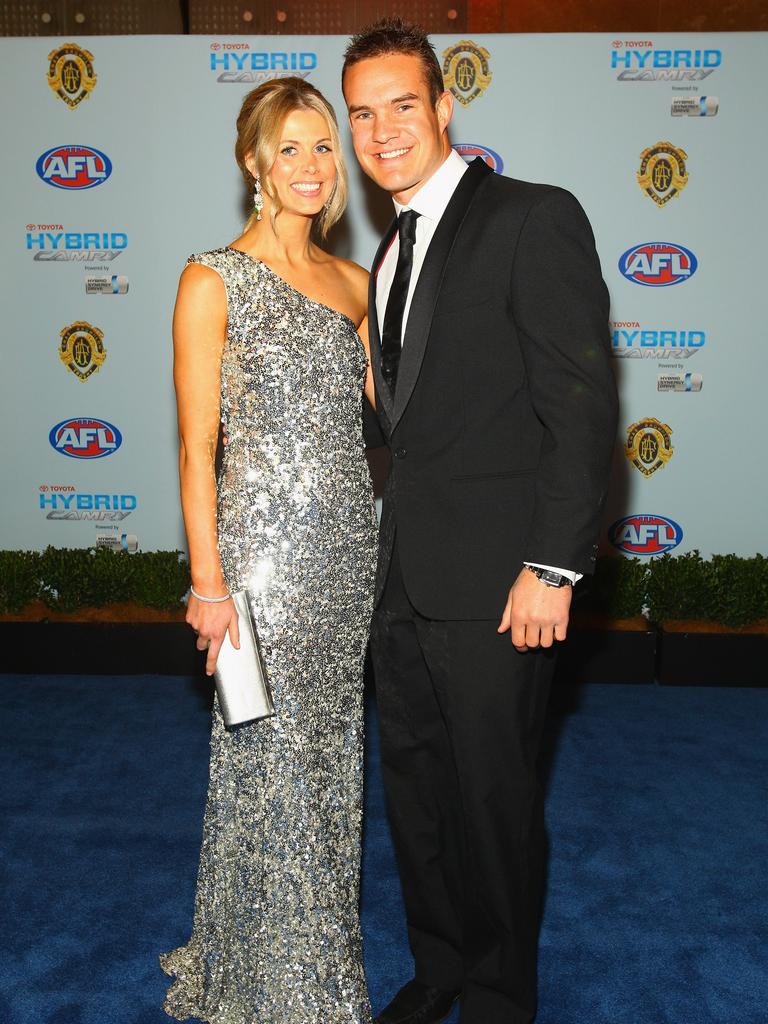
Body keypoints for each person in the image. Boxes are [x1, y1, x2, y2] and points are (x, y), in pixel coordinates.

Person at [342, 19, 619, 1024]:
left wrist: (553, 564)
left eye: (401, 106)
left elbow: (581, 409)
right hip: (408, 580)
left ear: (444, 106)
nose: (381, 132)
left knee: (496, 804)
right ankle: (444, 966)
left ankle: (501, 998)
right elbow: (403, 428)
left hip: (506, 583)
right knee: (417, 796)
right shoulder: (385, 257)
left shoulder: (531, 217)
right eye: (363, 114)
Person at [158, 78, 378, 1024]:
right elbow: (195, 446)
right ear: (252, 161)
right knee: (269, 758)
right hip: (262, 566)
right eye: (288, 148)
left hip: (350, 554)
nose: (311, 166)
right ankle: (292, 987)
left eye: (324, 146)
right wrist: (208, 584)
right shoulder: (212, 277)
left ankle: (285, 943)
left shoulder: (357, 283)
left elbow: (391, 423)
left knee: (331, 759)